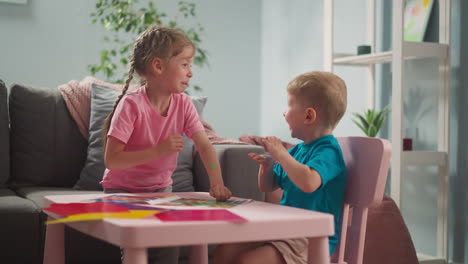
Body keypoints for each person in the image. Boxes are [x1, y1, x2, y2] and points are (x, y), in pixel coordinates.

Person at [100, 26, 232, 264]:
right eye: (184, 64)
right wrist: (158, 151)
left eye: (190, 65)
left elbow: (204, 146)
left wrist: (217, 182)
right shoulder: (131, 106)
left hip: (161, 190)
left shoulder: (184, 105)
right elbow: (113, 160)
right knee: (137, 246)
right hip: (122, 191)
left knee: (168, 250)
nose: (190, 73)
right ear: (158, 66)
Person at [213, 71, 348, 264]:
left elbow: (309, 182)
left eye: (290, 105)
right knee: (224, 252)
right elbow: (268, 187)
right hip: (285, 228)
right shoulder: (298, 151)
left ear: (309, 115)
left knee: (249, 261)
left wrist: (281, 154)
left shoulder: (329, 152)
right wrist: (267, 167)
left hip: (312, 237)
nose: (284, 112)